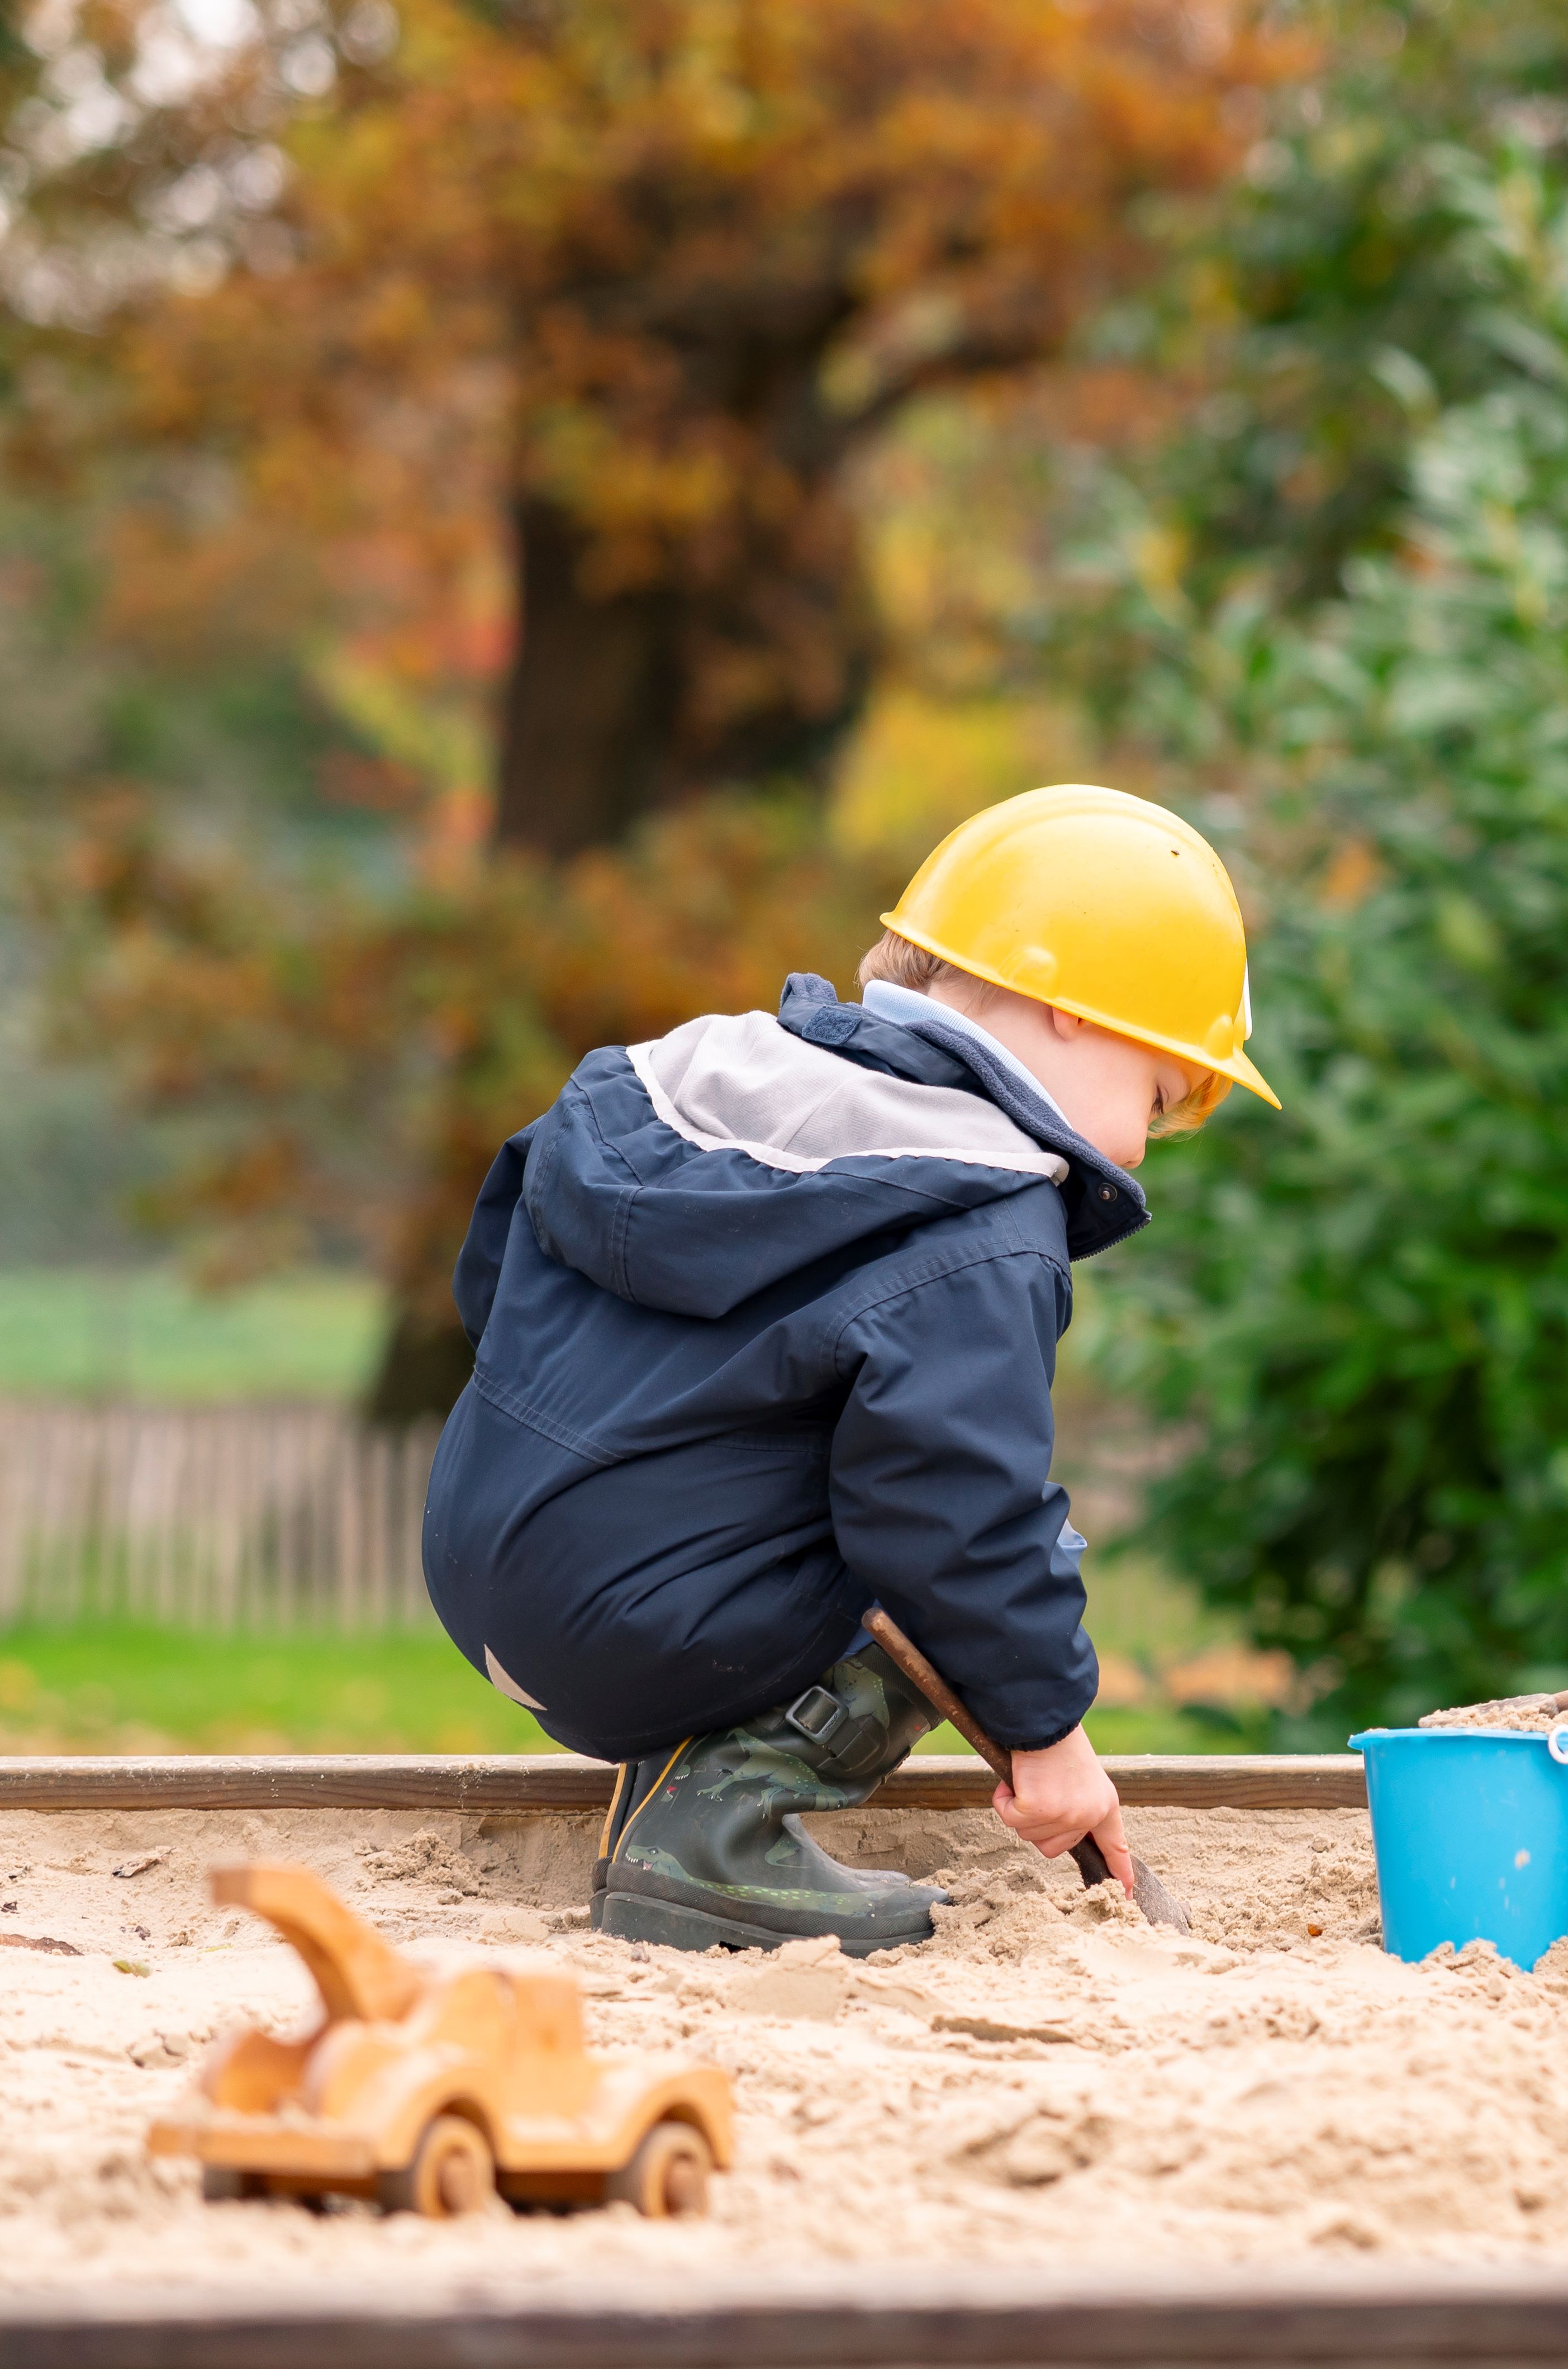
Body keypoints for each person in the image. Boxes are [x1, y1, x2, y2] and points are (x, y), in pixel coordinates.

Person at [420, 785, 1279, 1954]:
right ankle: (716, 1837)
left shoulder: (685, 1074)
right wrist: (1050, 1737)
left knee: (838, 1470)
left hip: (477, 1560)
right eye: (1160, 1094)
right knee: (988, 1552)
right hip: (647, 1633)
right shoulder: (983, 1221)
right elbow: (959, 1512)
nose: (1136, 1146)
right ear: (1072, 1010)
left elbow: (494, 1278)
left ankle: (676, 1773)